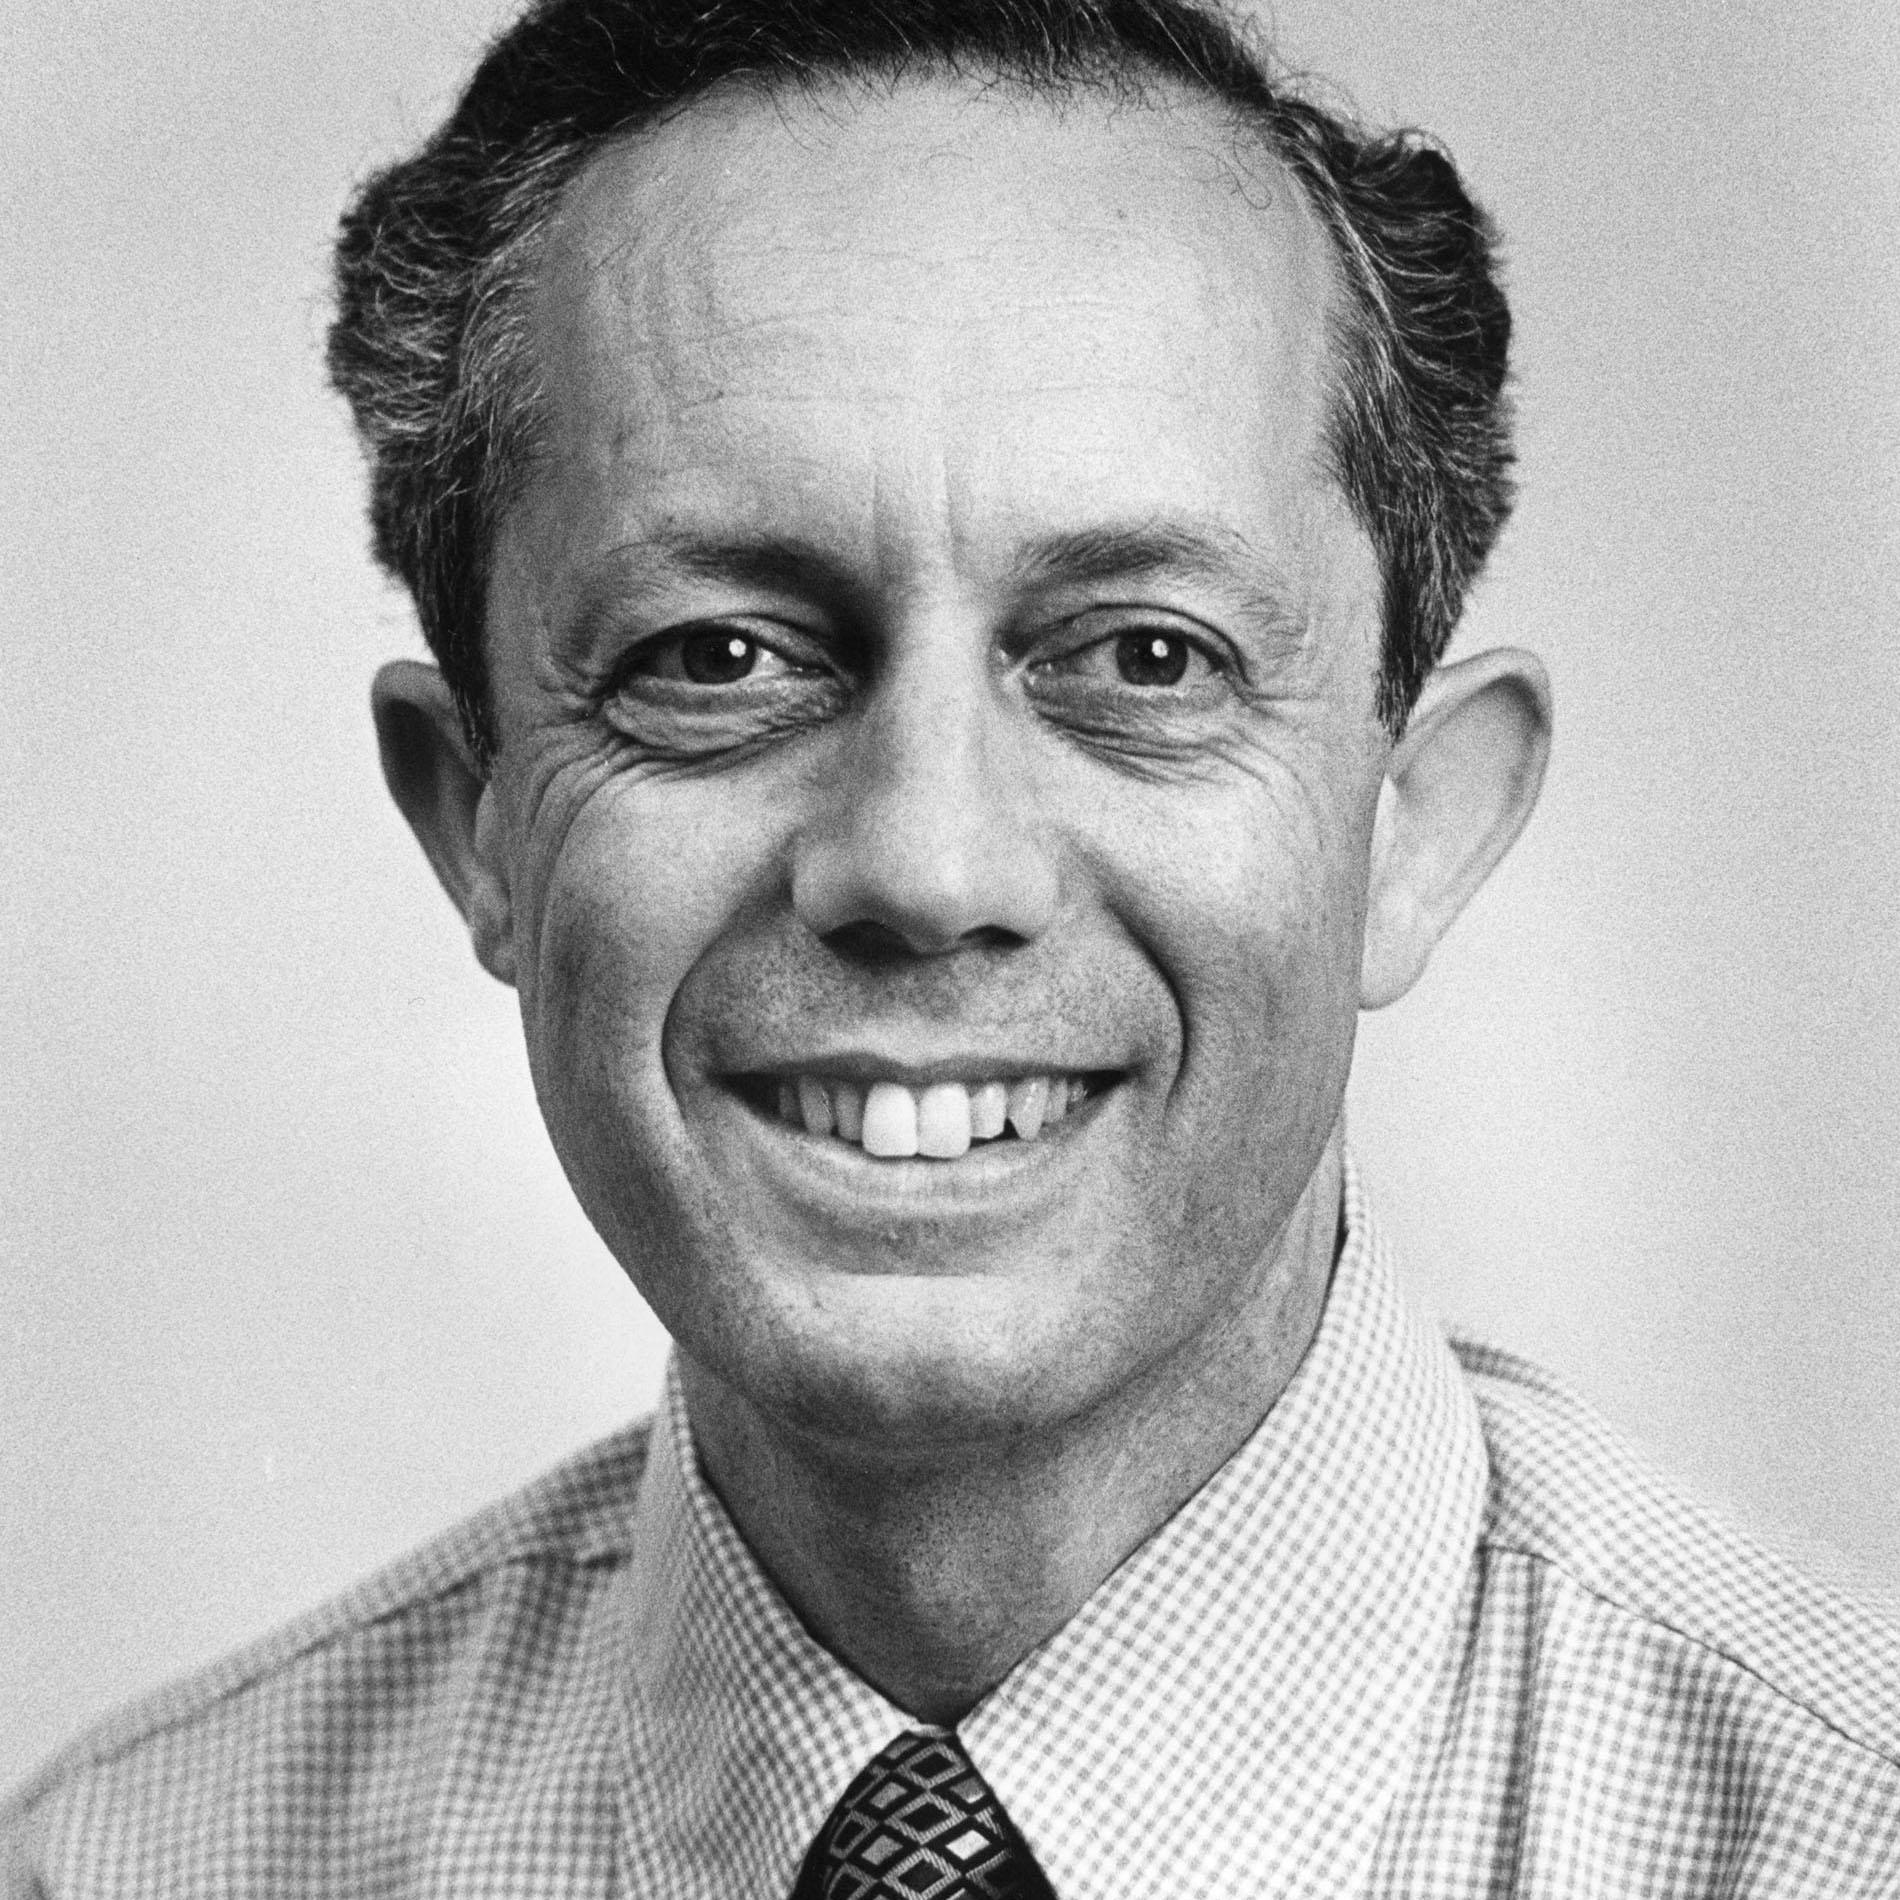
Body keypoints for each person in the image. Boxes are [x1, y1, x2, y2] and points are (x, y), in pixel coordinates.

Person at [5, 0, 1897, 1892]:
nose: (924, 862)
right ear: (473, 814)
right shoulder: (122, 1863)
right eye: (718, 659)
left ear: (1411, 825)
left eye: (1145, 657)